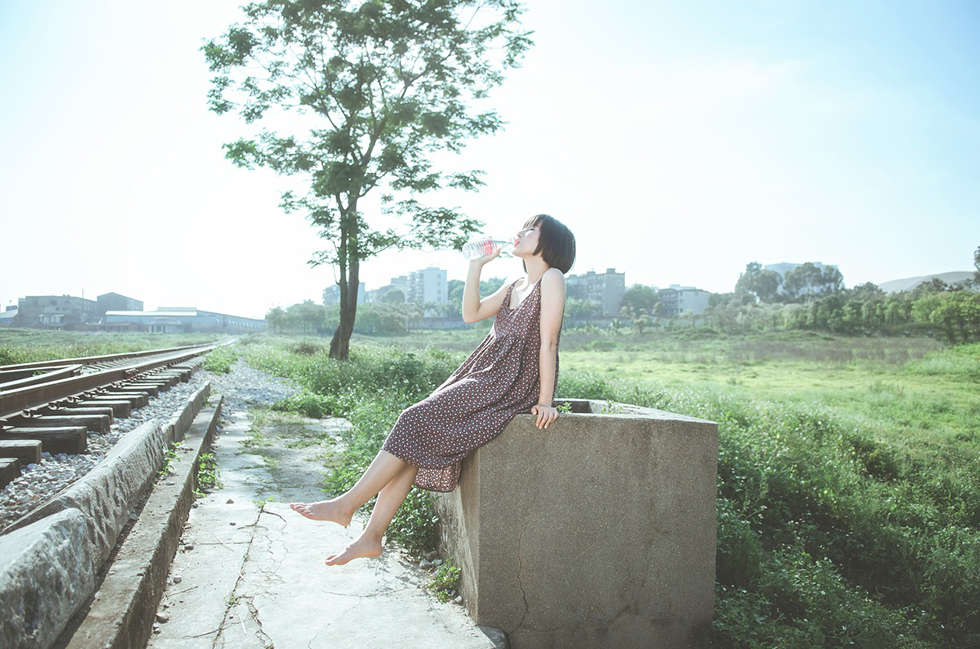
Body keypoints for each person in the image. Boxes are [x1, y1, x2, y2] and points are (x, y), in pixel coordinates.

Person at [290, 214, 576, 565]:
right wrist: (476, 265)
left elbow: (548, 342)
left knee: (413, 418)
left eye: (531, 229)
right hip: (483, 371)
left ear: (550, 244)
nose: (520, 232)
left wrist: (545, 401)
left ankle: (346, 505)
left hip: (508, 381)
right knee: (417, 437)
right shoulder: (514, 284)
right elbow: (471, 313)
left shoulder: (552, 278)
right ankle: (371, 537)